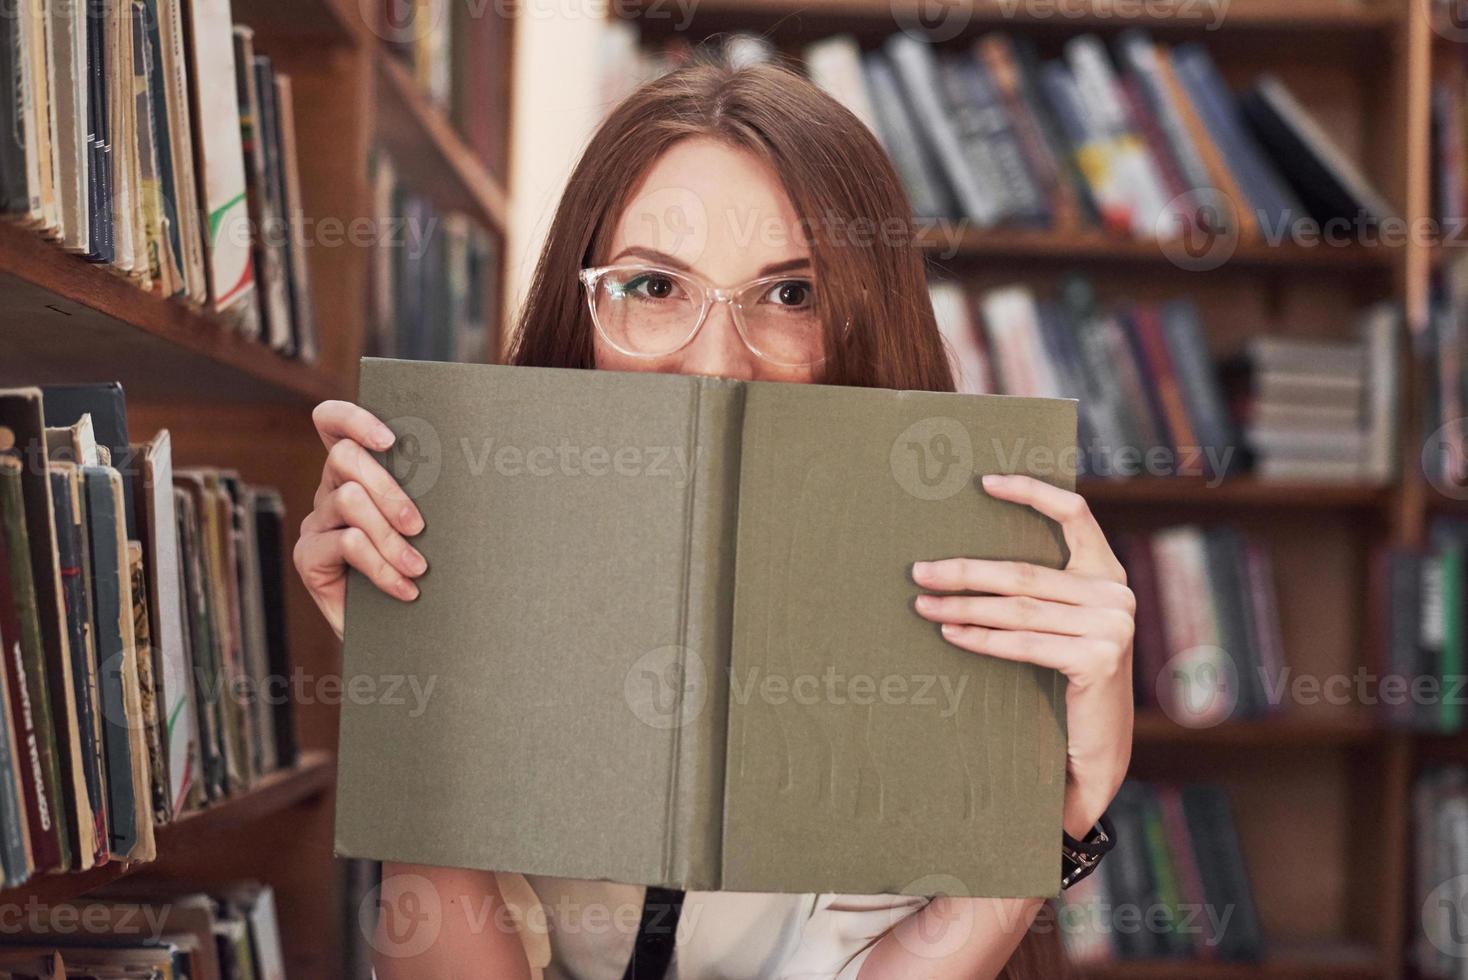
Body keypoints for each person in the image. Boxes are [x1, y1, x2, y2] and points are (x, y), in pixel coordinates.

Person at [295, 53, 1135, 980]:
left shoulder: (960, 587)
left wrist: (1045, 809)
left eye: (791, 295)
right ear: (582, 313)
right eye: (654, 287)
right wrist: (411, 675)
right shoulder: (487, 561)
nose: (716, 365)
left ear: (867, 316)